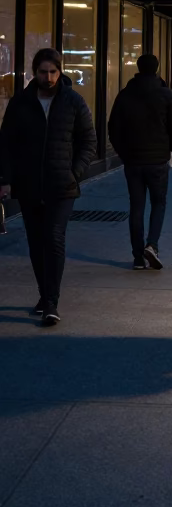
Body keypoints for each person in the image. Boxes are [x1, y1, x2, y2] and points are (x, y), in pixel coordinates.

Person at [0, 48, 96, 325]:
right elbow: (5, 143)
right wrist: (5, 179)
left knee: (53, 239)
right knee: (36, 242)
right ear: (35, 72)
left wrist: (74, 173)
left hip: (61, 185)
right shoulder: (21, 103)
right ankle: (44, 294)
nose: (49, 77)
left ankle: (52, 302)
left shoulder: (73, 101)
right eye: (44, 72)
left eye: (53, 72)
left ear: (60, 71)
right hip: (29, 184)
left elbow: (88, 140)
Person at [108, 53, 172, 270]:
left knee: (136, 206)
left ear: (138, 68)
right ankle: (152, 244)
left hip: (133, 160)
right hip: (159, 160)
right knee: (159, 203)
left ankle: (137, 256)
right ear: (157, 68)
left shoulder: (125, 95)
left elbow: (113, 128)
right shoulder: (166, 94)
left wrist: (123, 153)